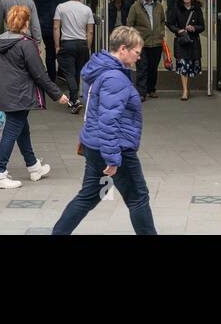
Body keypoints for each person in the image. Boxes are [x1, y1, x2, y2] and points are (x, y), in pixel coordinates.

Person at [52, 26, 156, 235]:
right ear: (123, 49)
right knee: (138, 197)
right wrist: (112, 159)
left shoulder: (102, 69)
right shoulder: (114, 78)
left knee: (89, 196)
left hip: (96, 145)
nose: (139, 57)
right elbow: (109, 119)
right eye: (137, 52)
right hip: (116, 149)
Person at [0, 5, 69, 189]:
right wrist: (58, 95)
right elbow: (39, 73)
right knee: (12, 131)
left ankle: (33, 166)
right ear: (25, 23)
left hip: (3, 93)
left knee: (22, 129)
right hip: (19, 94)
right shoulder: (25, 43)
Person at [55, 0, 95, 115]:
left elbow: (56, 28)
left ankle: (75, 99)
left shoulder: (61, 7)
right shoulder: (87, 10)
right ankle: (74, 99)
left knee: (69, 73)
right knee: (77, 73)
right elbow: (90, 31)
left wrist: (57, 46)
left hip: (67, 43)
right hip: (82, 44)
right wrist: (87, 47)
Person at [127, 0, 167, 99]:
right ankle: (141, 92)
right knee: (142, 68)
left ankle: (151, 89)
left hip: (156, 43)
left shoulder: (158, 6)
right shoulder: (135, 7)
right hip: (141, 44)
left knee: (153, 68)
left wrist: (161, 32)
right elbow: (130, 24)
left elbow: (162, 21)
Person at [167, 0, 204, 101]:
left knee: (191, 67)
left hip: (193, 42)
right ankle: (185, 91)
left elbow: (202, 26)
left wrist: (194, 28)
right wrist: (178, 30)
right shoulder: (176, 8)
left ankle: (187, 88)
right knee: (183, 66)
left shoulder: (197, 9)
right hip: (182, 41)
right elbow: (170, 23)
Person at [36, 0, 62, 81]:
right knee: (61, 52)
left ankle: (51, 77)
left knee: (50, 53)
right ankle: (61, 74)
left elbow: (36, 13)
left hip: (45, 29)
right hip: (60, 30)